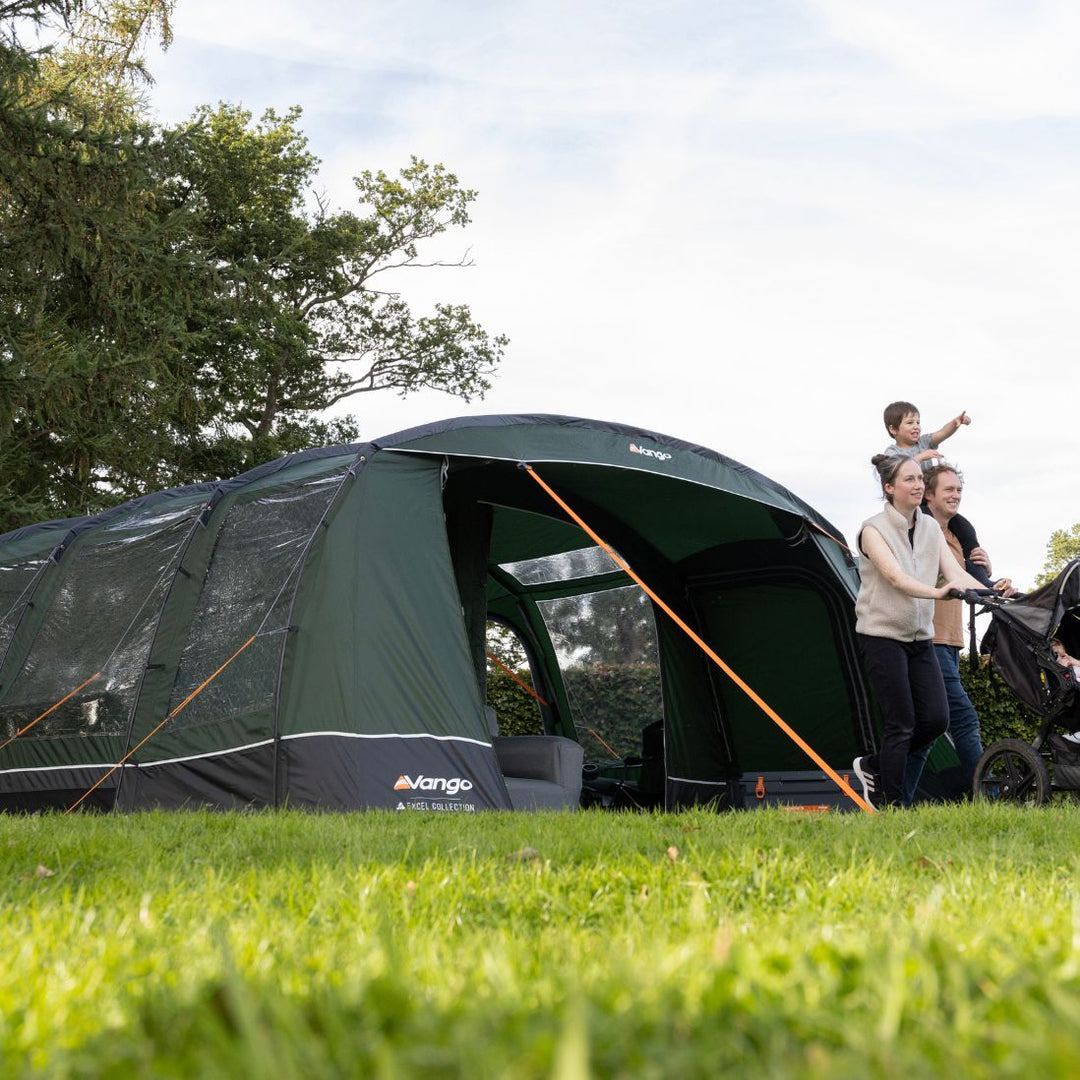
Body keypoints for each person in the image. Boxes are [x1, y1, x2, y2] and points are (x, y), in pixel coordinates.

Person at [851, 454, 986, 808]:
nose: (917, 485)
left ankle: (874, 766)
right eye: (908, 480)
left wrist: (998, 596)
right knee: (902, 724)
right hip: (881, 637)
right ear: (889, 488)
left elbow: (955, 573)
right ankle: (893, 808)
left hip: (918, 638)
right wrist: (937, 592)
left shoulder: (928, 528)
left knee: (936, 719)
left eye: (919, 480)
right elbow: (896, 578)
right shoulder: (872, 530)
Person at [903, 465, 1011, 802]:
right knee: (964, 718)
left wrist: (990, 579)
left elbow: (972, 583)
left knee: (931, 728)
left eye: (959, 491)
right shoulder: (920, 532)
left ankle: (894, 799)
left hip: (949, 642)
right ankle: (989, 798)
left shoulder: (960, 537)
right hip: (927, 640)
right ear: (929, 495)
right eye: (948, 489)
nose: (955, 496)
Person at [880, 400, 996, 588]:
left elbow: (941, 434)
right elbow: (898, 470)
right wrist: (920, 458)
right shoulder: (892, 452)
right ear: (893, 429)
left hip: (926, 501)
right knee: (928, 526)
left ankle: (982, 580)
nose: (916, 426)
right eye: (910, 423)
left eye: (918, 422)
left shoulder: (923, 442)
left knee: (966, 530)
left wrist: (955, 424)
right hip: (914, 507)